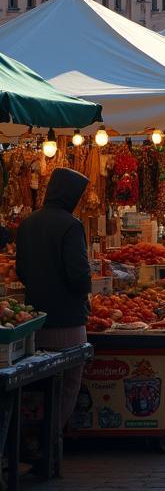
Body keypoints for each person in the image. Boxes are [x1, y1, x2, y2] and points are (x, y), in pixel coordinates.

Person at [15, 168, 92, 428]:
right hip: (67, 319)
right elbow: (79, 276)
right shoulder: (71, 225)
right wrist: (84, 295)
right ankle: (52, 435)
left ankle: (32, 437)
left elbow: (21, 270)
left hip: (33, 319)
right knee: (69, 380)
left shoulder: (28, 223)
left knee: (36, 382)